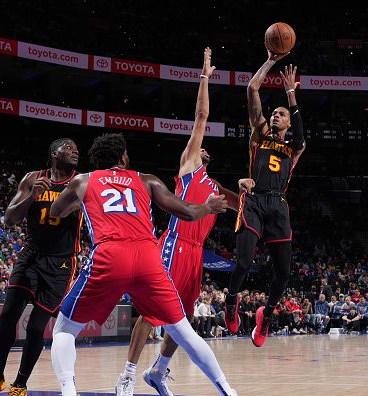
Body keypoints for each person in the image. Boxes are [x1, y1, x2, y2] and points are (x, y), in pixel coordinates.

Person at [48, 133, 236, 396]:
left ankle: (69, 391)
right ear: (124, 157)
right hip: (148, 257)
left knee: (64, 329)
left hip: (110, 256)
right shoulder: (146, 179)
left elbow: (56, 211)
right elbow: (187, 212)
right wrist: (208, 206)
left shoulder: (83, 180)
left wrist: (77, 203)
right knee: (183, 331)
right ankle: (227, 389)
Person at [114, 48, 245, 396]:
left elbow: (245, 204)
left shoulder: (216, 188)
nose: (198, 146)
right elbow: (201, 115)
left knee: (180, 320)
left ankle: (157, 371)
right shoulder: (189, 168)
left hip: (196, 254)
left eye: (202, 147)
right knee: (152, 312)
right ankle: (127, 375)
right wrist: (205, 76)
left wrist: (251, 187)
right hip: (173, 245)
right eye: (195, 144)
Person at [0, 138, 81, 396]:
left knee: (36, 327)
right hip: (31, 256)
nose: (75, 151)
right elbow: (10, 219)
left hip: (60, 263)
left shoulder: (82, 182)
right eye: (68, 147)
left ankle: (20, 384)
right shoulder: (32, 178)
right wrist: (32, 196)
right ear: (54, 153)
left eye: (76, 148)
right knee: (8, 315)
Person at [224, 51, 306, 348]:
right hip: (255, 200)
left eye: (281, 113)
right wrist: (271, 60)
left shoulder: (295, 149)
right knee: (244, 262)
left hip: (278, 206)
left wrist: (291, 94)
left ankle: (266, 314)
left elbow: (301, 135)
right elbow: (251, 89)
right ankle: (231, 300)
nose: (276, 115)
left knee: (283, 273)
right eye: (275, 112)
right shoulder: (259, 135)